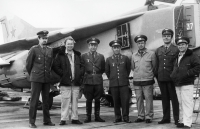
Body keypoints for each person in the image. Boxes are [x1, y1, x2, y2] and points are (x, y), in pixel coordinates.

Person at [26, 30, 55, 128]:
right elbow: (28, 65)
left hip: (46, 79)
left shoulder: (50, 50)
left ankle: (47, 120)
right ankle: (31, 122)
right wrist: (34, 75)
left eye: (46, 38)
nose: (45, 40)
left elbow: (50, 64)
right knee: (34, 101)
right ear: (39, 39)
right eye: (43, 38)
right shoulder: (33, 49)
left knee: (46, 101)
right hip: (36, 78)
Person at [170, 37, 200, 128]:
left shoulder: (192, 55)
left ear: (187, 45)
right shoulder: (177, 55)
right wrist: (173, 75)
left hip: (187, 83)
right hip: (178, 83)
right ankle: (183, 121)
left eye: (183, 44)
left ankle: (188, 123)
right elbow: (174, 68)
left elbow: (198, 67)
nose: (181, 46)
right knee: (181, 103)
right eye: (179, 45)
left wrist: (187, 73)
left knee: (187, 103)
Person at [53, 37, 83, 125]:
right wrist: (63, 74)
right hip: (65, 82)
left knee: (75, 102)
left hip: (75, 82)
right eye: (68, 44)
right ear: (65, 45)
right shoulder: (60, 55)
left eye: (71, 44)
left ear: (73, 45)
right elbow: (55, 66)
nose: (70, 45)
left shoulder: (77, 55)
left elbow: (82, 66)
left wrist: (79, 73)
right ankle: (63, 119)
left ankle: (75, 118)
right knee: (65, 101)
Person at [155, 28, 179, 125]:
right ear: (162, 37)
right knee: (164, 99)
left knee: (174, 99)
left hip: (172, 79)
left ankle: (177, 119)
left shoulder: (176, 49)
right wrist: (157, 77)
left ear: (171, 37)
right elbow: (156, 65)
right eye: (164, 36)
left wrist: (174, 76)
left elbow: (177, 65)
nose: (166, 37)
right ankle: (166, 118)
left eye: (168, 36)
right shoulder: (158, 50)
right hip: (162, 78)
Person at [131, 35, 156, 123]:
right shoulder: (134, 55)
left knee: (149, 98)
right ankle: (140, 116)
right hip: (137, 81)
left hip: (147, 80)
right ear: (137, 44)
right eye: (139, 43)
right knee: (139, 99)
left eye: (142, 43)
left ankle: (149, 116)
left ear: (145, 43)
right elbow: (133, 68)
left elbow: (154, 67)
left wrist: (148, 74)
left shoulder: (151, 54)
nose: (140, 44)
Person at [105, 40, 131, 123]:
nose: (116, 49)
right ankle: (117, 117)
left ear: (120, 48)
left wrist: (124, 78)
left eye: (118, 47)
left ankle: (126, 117)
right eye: (114, 47)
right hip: (114, 83)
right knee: (115, 101)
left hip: (124, 83)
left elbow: (128, 69)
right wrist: (113, 78)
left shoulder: (125, 58)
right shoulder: (109, 59)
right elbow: (107, 71)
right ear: (112, 49)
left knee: (125, 101)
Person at [81, 37, 105, 123]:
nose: (93, 47)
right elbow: (82, 68)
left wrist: (97, 75)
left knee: (98, 99)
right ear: (88, 46)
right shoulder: (84, 56)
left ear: (97, 46)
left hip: (98, 80)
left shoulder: (101, 56)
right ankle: (88, 117)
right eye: (91, 45)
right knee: (89, 99)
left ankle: (97, 116)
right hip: (88, 80)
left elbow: (102, 69)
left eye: (95, 45)